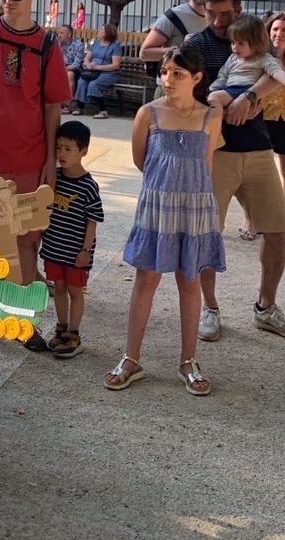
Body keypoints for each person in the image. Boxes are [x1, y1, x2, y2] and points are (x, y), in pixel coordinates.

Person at [105, 45, 225, 396]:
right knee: (146, 279)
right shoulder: (148, 113)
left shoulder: (210, 116)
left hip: (195, 208)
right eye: (164, 72)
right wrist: (166, 187)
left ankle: (188, 360)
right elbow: (142, 161)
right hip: (157, 207)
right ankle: (131, 358)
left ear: (197, 78)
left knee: (190, 281)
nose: (168, 79)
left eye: (178, 74)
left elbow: (206, 165)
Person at [0, 0, 71, 351]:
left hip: (30, 160)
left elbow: (52, 107)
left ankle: (22, 321)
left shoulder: (48, 45)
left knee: (26, 241)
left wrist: (50, 160)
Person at [188, 0, 285, 341]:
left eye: (225, 14)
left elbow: (275, 72)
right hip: (218, 153)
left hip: (258, 148)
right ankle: (210, 308)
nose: (217, 20)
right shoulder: (197, 44)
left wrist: (250, 97)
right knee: (207, 233)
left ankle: (265, 307)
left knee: (279, 231)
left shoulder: (254, 35)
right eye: (211, 13)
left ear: (239, 9)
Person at [40, 121, 103, 359]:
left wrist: (86, 250)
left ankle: (74, 333)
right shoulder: (53, 177)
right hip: (53, 247)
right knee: (59, 288)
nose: (62, 154)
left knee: (75, 291)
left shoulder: (89, 186)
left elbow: (93, 221)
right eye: (58, 148)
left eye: (68, 149)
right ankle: (61, 326)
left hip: (76, 251)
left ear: (83, 151)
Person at [208, 15, 285, 109]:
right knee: (212, 97)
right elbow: (223, 76)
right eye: (233, 42)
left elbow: (276, 72)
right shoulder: (233, 58)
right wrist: (211, 89)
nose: (235, 47)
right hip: (229, 89)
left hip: (245, 89)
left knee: (213, 98)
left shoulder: (263, 58)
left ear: (256, 42)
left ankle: (214, 118)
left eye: (241, 43)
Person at [139, 0, 207, 100]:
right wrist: (183, 48)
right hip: (171, 89)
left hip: (202, 91)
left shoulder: (220, 16)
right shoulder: (173, 16)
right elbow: (144, 53)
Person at [73, 23, 122, 119]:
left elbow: (115, 65)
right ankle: (80, 108)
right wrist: (87, 64)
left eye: (101, 29)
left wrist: (98, 67)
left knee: (93, 85)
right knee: (82, 82)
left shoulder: (115, 46)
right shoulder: (95, 43)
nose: (98, 31)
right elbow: (87, 57)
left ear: (107, 33)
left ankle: (103, 111)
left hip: (110, 73)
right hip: (93, 71)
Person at [262, 12, 285, 202]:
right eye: (275, 29)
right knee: (259, 174)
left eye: (284, 30)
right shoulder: (260, 57)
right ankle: (253, 217)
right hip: (262, 118)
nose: (279, 34)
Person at [58, 24, 84, 113]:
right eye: (59, 33)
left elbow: (76, 64)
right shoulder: (57, 43)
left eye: (61, 33)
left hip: (74, 69)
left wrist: (63, 69)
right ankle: (54, 103)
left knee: (69, 74)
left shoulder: (78, 44)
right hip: (60, 68)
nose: (59, 35)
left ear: (69, 35)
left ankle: (67, 104)